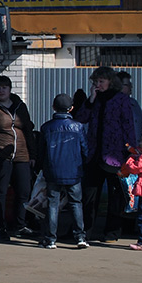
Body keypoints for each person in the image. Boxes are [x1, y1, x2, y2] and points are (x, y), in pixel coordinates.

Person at [74, 66, 135, 242]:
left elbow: (128, 125)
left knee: (116, 196)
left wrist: (130, 151)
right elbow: (80, 118)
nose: (98, 85)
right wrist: (91, 100)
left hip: (115, 154)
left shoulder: (121, 100)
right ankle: (86, 231)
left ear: (110, 82)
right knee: (89, 195)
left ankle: (112, 233)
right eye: (95, 82)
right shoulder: (94, 100)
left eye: (101, 81)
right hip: (95, 154)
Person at [38, 93, 89, 249]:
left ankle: (51, 239)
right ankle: (80, 237)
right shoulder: (78, 127)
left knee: (53, 204)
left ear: (53, 107)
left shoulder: (46, 127)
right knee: (76, 203)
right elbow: (85, 150)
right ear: (71, 108)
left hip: (53, 171)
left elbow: (41, 151)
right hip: (73, 171)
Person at [0, 75, 36, 241]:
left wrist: (32, 153)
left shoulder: (19, 105)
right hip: (0, 154)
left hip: (22, 154)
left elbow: (28, 129)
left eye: (4, 88)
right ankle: (0, 227)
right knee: (0, 192)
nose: (1, 91)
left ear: (10, 89)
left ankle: (19, 224)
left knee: (23, 191)